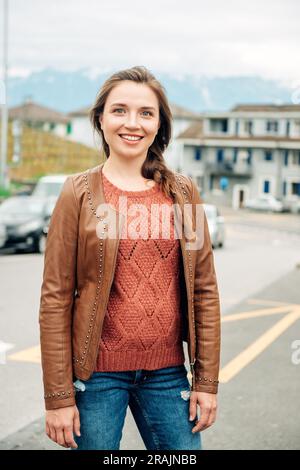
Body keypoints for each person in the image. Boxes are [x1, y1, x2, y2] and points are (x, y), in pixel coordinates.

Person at [39, 65, 221, 450]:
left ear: (159, 125)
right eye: (119, 110)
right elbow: (55, 298)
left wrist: (206, 382)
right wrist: (58, 398)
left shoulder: (183, 193)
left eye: (146, 112)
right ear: (101, 119)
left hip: (168, 374)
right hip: (96, 377)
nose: (132, 123)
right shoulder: (77, 194)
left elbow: (204, 291)